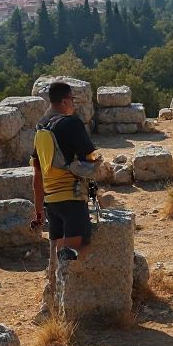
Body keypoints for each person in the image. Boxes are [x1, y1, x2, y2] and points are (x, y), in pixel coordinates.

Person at [31, 82, 101, 315]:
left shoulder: (41, 129)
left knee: (60, 249)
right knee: (82, 247)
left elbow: (38, 174)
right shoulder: (71, 124)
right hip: (71, 198)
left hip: (52, 203)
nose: (74, 104)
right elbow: (91, 161)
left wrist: (38, 212)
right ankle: (68, 309)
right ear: (65, 101)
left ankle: (52, 307)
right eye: (72, 100)